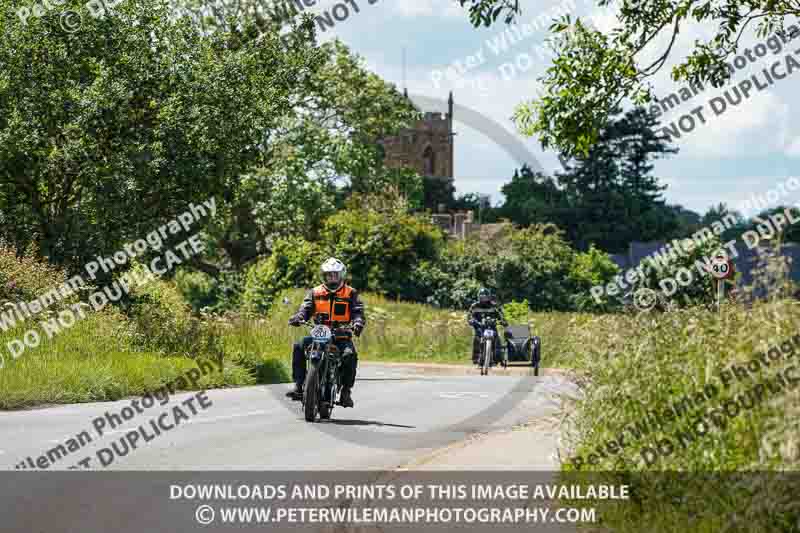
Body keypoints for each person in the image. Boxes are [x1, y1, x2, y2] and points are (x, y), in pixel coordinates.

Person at [286, 257, 365, 407]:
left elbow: (357, 312)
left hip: (341, 334)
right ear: (324, 275)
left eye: (335, 274)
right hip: (320, 333)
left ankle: (346, 391)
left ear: (341, 275)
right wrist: (298, 317)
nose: (332, 277)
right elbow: (306, 309)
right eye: (329, 274)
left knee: (350, 355)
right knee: (298, 345)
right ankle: (298, 385)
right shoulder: (315, 292)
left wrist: (358, 322)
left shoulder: (350, 293)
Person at [467, 287, 508, 364]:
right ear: (478, 296)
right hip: (479, 327)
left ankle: (498, 357)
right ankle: (476, 358)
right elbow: (469, 315)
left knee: (497, 339)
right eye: (481, 296)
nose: (483, 298)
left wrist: (503, 321)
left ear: (488, 296)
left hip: (492, 326)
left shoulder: (494, 306)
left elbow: (501, 314)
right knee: (476, 338)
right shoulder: (474, 306)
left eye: (485, 296)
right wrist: (471, 321)